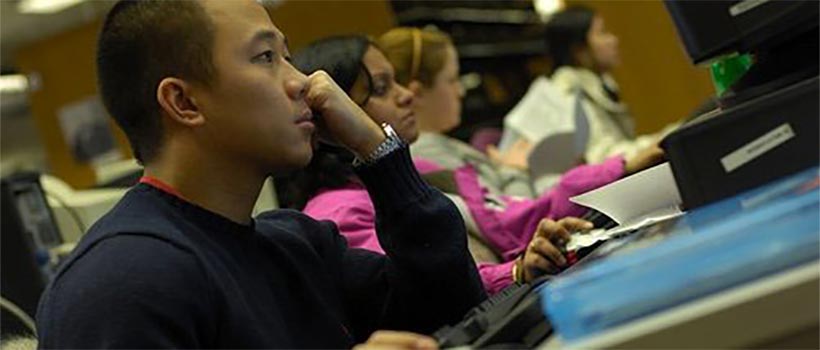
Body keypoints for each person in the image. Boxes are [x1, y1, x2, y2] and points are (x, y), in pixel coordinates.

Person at [35, 1, 486, 348]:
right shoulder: (121, 283)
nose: (308, 83)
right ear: (184, 103)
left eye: (288, 57)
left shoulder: (294, 244)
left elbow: (457, 312)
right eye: (266, 57)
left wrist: (377, 149)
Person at [281, 35, 637, 295]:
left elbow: (511, 218)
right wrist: (514, 271)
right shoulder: (336, 211)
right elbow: (432, 288)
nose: (407, 95)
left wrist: (624, 166)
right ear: (331, 114)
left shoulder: (420, 169)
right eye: (381, 88)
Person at [377, 27, 665, 198]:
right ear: (417, 93)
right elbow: (513, 223)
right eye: (452, 80)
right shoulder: (428, 158)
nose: (461, 91)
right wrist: (513, 171)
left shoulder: (445, 145)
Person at [538, 5, 678, 164]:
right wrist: (668, 137)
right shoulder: (567, 93)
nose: (613, 40)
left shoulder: (596, 83)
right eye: (603, 33)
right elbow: (604, 159)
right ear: (579, 50)